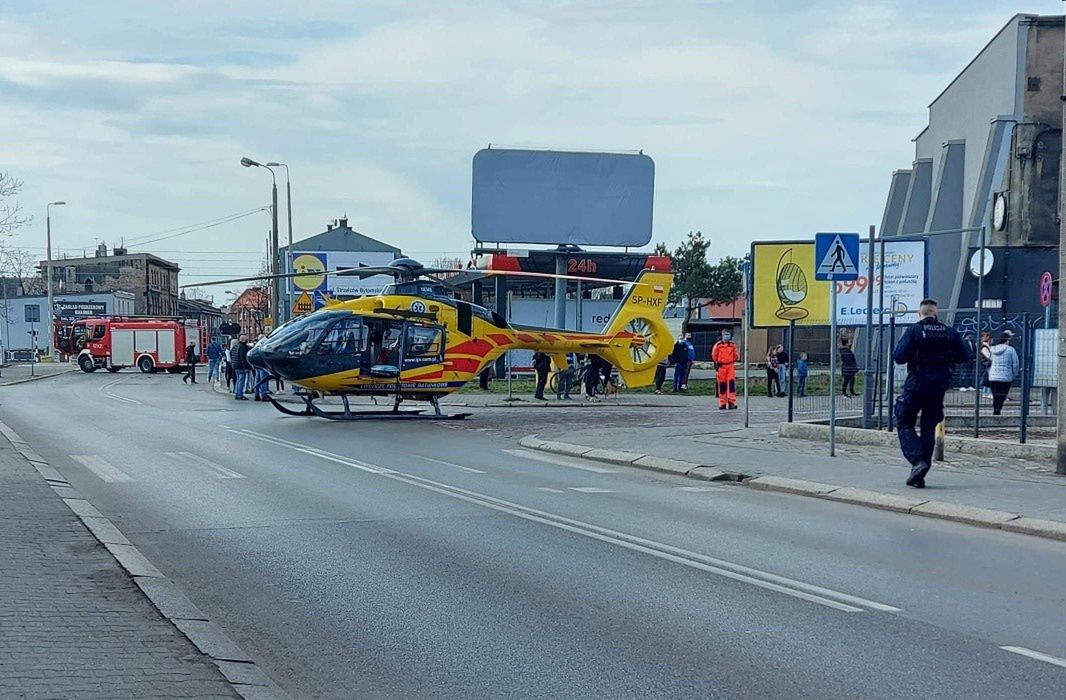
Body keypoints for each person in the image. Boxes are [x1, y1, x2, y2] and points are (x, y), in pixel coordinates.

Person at [892, 298, 970, 488]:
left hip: (916, 385)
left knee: (904, 421)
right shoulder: (950, 333)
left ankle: (918, 462)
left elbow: (899, 357)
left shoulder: (914, 331)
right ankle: (920, 473)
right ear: (936, 314)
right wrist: (946, 357)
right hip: (939, 387)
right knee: (928, 427)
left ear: (920, 314)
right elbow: (966, 356)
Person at [987, 331, 1019, 416]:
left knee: (995, 395)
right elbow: (1015, 364)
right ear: (1007, 340)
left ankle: (995, 410)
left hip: (993, 376)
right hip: (1006, 377)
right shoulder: (1011, 350)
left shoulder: (992, 349)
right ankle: (998, 409)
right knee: (1002, 395)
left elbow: (989, 360)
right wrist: (1014, 375)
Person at [711, 330, 739, 410]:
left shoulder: (732, 345)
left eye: (728, 334)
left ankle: (731, 402)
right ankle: (722, 403)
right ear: (722, 335)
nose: (727, 336)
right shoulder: (718, 345)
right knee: (722, 385)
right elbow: (714, 355)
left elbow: (735, 356)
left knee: (731, 385)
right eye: (725, 334)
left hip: (730, 366)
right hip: (721, 366)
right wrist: (717, 362)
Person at [232, 334, 251, 400]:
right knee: (241, 380)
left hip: (235, 366)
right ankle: (240, 394)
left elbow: (232, 355)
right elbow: (242, 358)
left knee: (238, 380)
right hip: (240, 366)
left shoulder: (235, 346)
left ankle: (237, 393)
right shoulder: (242, 347)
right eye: (246, 340)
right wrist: (245, 367)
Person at [980, 331, 993, 396]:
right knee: (990, 378)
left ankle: (986, 392)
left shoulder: (987, 346)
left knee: (987, 378)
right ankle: (988, 393)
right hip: (988, 364)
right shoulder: (985, 347)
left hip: (987, 364)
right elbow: (988, 356)